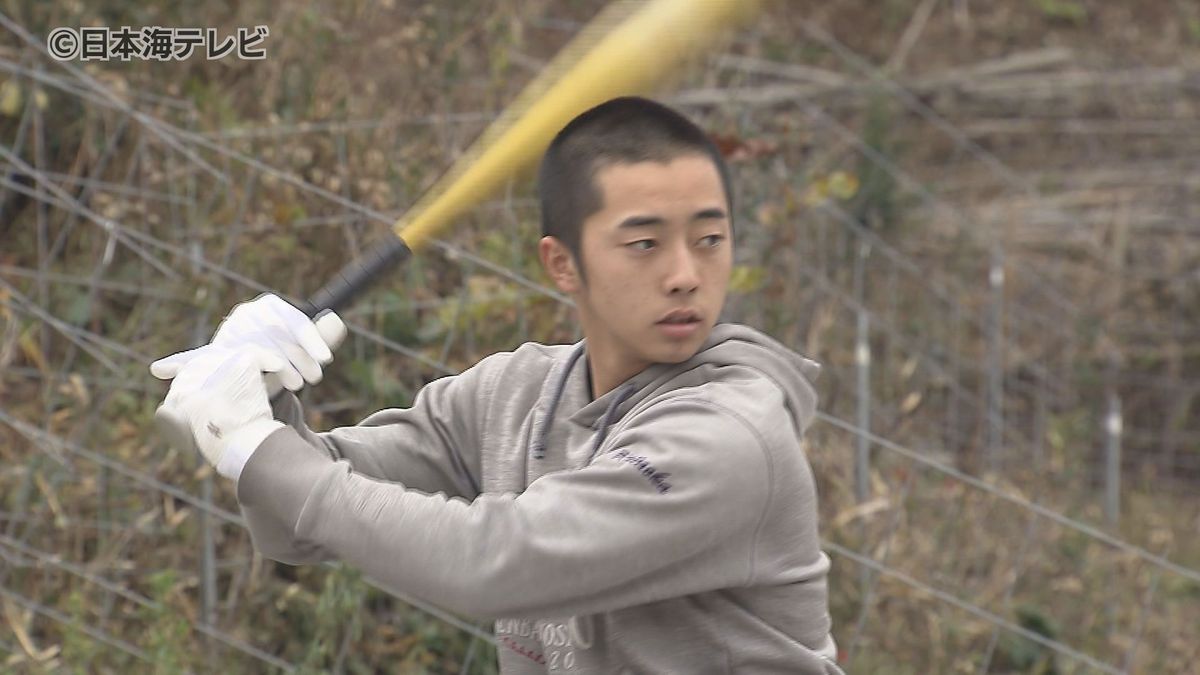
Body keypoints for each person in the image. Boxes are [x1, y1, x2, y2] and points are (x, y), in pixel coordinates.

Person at [151, 96, 841, 674]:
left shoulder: (730, 435)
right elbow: (300, 520)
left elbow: (494, 562)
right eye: (645, 243)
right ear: (562, 264)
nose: (686, 272)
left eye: (710, 239)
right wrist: (267, 401)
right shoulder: (512, 395)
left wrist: (253, 443)